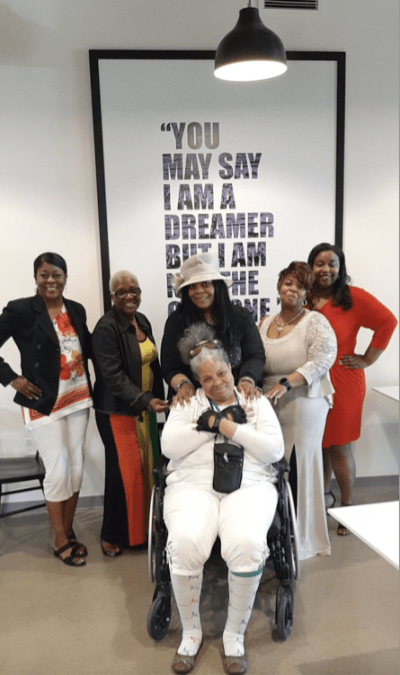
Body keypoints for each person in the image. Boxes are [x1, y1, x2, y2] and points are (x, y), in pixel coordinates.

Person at [161, 323, 284, 675]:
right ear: (197, 381)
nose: (217, 382)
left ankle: (234, 636)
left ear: (232, 367)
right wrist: (209, 424)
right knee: (184, 542)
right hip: (193, 484)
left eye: (222, 373)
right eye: (207, 378)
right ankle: (191, 633)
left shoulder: (254, 400)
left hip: (250, 484)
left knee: (246, 543)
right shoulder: (188, 403)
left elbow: (273, 449)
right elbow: (170, 446)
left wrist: (230, 427)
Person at [0, 252, 93, 566]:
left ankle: (67, 531)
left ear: (65, 277)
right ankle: (59, 539)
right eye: (44, 275)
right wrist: (12, 379)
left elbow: (89, 348)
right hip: (43, 401)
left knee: (76, 468)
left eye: (57, 274)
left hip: (78, 397)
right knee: (58, 468)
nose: (51, 280)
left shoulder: (76, 310)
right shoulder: (21, 310)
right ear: (36, 277)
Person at [307, 243, 397, 534]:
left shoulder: (352, 298)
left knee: (340, 448)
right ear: (311, 267)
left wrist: (368, 358)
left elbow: (388, 321)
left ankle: (347, 508)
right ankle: (320, 504)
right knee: (318, 447)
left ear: (340, 267)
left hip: (344, 381)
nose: (325, 269)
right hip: (311, 382)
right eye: (319, 264)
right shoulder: (303, 299)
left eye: (332, 263)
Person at [258, 261, 337, 560]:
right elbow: (256, 358)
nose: (292, 289)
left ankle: (303, 536)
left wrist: (286, 384)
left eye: (299, 286)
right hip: (269, 400)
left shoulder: (315, 322)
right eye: (288, 283)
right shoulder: (265, 322)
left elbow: (322, 360)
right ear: (279, 286)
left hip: (305, 398)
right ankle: (277, 530)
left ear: (307, 293)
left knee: (300, 463)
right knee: (272, 464)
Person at [92, 271, 169, 556]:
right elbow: (112, 376)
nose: (128, 296)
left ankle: (144, 529)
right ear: (112, 296)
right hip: (117, 411)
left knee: (146, 469)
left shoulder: (142, 320)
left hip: (144, 410)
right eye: (121, 292)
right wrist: (144, 399)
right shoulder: (105, 328)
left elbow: (153, 364)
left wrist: (159, 400)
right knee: (122, 473)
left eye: (133, 290)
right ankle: (112, 533)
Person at [161, 252, 265, 404]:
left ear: (218, 286)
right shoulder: (175, 322)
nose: (198, 291)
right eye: (192, 286)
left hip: (236, 396)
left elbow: (255, 355)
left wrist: (247, 380)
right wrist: (183, 385)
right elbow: (169, 367)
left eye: (206, 284)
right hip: (193, 401)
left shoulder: (241, 316)